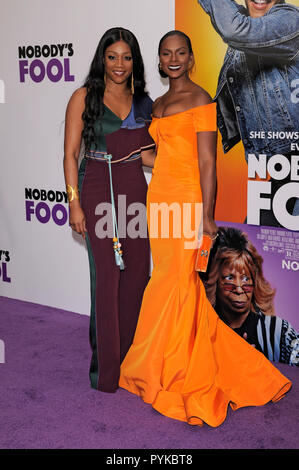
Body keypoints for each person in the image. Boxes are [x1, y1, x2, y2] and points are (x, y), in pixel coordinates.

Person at [119, 30, 291, 428]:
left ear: (191, 58)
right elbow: (158, 157)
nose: (174, 59)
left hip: (186, 203)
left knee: (177, 283)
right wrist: (119, 150)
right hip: (158, 201)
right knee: (165, 279)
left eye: (181, 52)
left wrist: (207, 217)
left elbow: (207, 164)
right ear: (159, 60)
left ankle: (176, 367)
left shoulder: (200, 99)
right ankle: (161, 362)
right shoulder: (158, 104)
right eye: (166, 53)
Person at [63, 27, 155, 393]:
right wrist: (74, 203)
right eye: (112, 56)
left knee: (135, 277)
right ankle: (106, 371)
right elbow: (71, 154)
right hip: (97, 185)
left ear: (135, 62)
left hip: (134, 187)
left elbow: (147, 156)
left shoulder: (144, 102)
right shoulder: (84, 96)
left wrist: (181, 165)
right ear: (102, 58)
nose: (119, 64)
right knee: (107, 277)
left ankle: (131, 361)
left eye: (126, 57)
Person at [197, 0, 299, 226]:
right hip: (273, 169)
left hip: (294, 163)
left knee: (264, 252)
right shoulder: (243, 34)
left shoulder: (290, 21)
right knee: (258, 251)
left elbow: (234, 28)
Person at [203, 226, 299, 366]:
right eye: (229, 278)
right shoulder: (202, 329)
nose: (239, 289)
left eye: (245, 279)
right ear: (214, 282)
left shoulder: (278, 331)